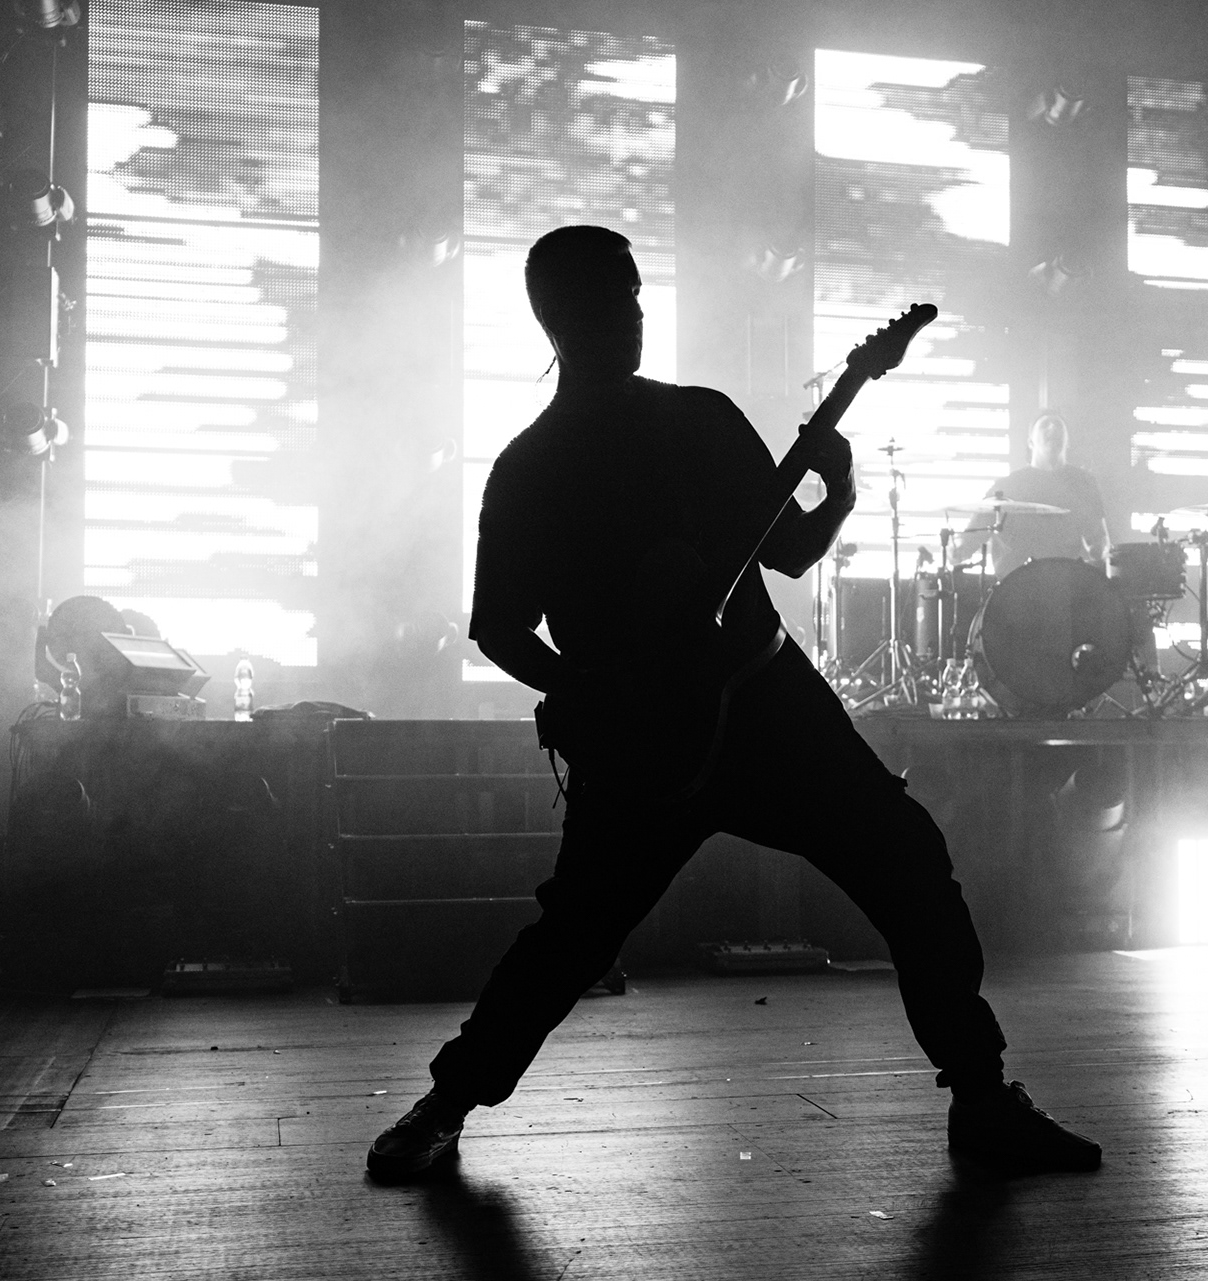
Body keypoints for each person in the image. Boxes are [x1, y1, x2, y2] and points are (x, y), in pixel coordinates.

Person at [367, 225, 1101, 1180]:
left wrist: (837, 492)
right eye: (610, 300)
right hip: (699, 723)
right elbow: (498, 629)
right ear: (557, 319)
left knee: (905, 862)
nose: (631, 315)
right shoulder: (547, 463)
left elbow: (784, 550)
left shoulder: (676, 426)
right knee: (575, 935)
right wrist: (595, 690)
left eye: (635, 295)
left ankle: (982, 1093)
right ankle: (445, 1103)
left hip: (753, 704)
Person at [953, 412, 1111, 577]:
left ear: (1068, 441)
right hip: (1015, 583)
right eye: (1045, 425)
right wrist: (957, 549)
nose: (1052, 427)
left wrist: (1104, 554)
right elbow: (970, 540)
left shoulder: (1083, 483)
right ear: (1030, 442)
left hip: (1066, 582)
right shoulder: (1007, 486)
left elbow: (1098, 541)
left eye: (1058, 425)